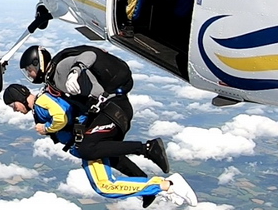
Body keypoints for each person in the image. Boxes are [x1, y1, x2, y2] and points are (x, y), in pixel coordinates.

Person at [3, 84, 196, 207]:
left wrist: (46, 128)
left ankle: (167, 185)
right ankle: (153, 189)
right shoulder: (43, 100)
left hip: (85, 144)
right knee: (116, 163)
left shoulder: (41, 103)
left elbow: (61, 116)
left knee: (105, 187)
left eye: (13, 105)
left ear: (19, 98)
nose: (15, 110)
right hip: (85, 142)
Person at [18, 45, 169, 173]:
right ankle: (141, 180)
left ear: (38, 63)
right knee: (101, 151)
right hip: (109, 111)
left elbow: (90, 55)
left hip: (115, 110)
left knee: (87, 148)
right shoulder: (52, 81)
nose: (29, 74)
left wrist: (75, 71)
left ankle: (148, 148)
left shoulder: (60, 67)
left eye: (29, 69)